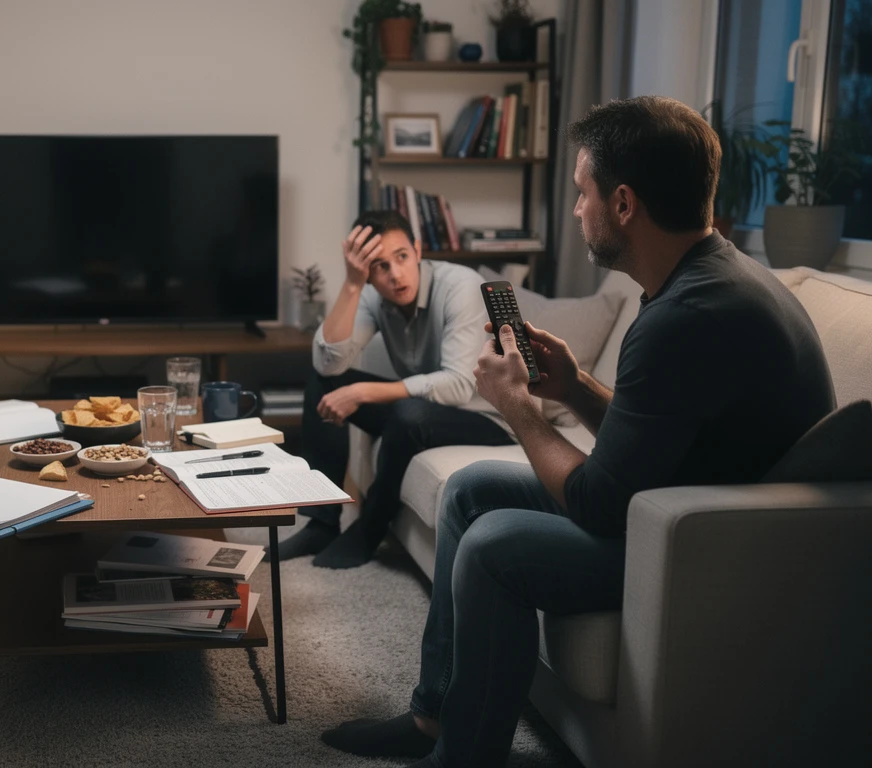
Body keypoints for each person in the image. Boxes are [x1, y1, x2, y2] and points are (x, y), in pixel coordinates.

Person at [320, 96, 836, 767]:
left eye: (580, 192)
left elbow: (598, 500)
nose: (575, 211)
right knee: (472, 489)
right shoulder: (707, 281)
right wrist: (575, 387)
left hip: (703, 549)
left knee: (493, 544)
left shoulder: (688, 317)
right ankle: (432, 718)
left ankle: (463, 757)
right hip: (679, 504)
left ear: (623, 204)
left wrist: (519, 408)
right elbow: (656, 436)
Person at [280, 210, 513, 569]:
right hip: (426, 411)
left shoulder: (460, 286)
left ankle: (368, 530)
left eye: (401, 257)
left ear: (418, 250)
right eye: (379, 266)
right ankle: (322, 522)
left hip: (488, 417)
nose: (395, 274)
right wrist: (353, 285)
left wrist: (364, 392)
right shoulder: (372, 293)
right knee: (324, 381)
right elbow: (327, 362)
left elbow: (460, 385)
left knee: (407, 413)